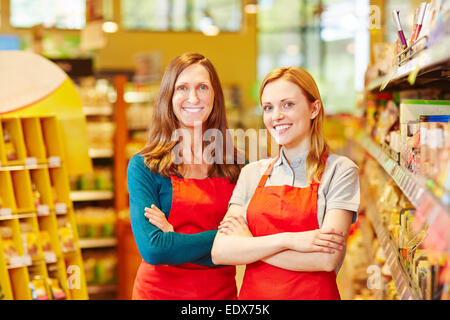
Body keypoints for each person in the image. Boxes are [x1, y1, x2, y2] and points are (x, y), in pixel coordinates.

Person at [211, 67, 360, 300]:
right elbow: (220, 251)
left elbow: (326, 259)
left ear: (314, 108)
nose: (276, 116)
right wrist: (289, 240)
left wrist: (250, 246)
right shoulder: (252, 173)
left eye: (287, 104)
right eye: (268, 107)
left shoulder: (339, 171)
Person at [127, 52, 243, 300]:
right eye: (182, 88)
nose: (193, 97)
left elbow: (251, 238)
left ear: (215, 97)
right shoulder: (144, 167)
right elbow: (154, 250)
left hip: (220, 295)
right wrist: (227, 239)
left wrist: (175, 240)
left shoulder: (238, 166)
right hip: (158, 294)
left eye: (202, 87)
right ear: (168, 97)